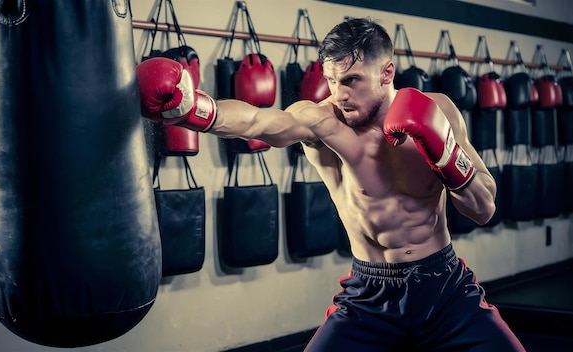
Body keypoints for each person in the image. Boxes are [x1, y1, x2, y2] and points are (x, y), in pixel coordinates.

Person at [137, 17, 525, 352]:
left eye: (352, 80)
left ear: (386, 73)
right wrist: (194, 110)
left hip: (446, 289)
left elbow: (483, 209)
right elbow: (257, 122)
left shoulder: (438, 111)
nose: (339, 94)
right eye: (332, 80)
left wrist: (445, 156)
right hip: (371, 296)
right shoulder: (323, 122)